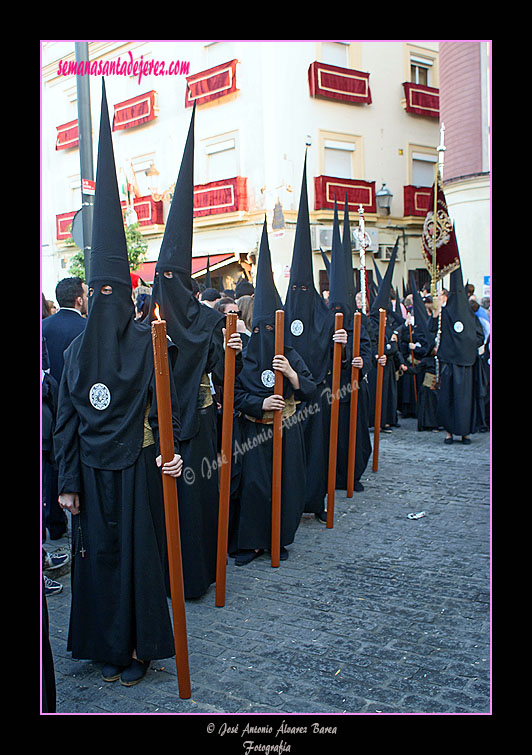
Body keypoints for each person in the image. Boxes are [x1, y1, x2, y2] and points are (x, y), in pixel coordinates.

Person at [53, 79, 182, 687]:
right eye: (97, 292)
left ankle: (140, 650)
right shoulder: (77, 352)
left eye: (113, 293)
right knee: (98, 566)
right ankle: (106, 646)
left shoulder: (147, 344)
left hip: (134, 472)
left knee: (135, 562)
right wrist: (67, 487)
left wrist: (172, 453)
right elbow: (65, 422)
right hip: (93, 478)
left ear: (124, 294)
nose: (104, 301)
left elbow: (169, 397)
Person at [151, 103, 243, 599]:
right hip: (162, 431)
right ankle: (168, 575)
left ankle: (200, 573)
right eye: (160, 278)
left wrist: (231, 351)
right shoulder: (144, 323)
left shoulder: (209, 320)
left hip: (201, 426)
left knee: (198, 497)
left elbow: (226, 379)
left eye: (173, 278)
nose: (166, 286)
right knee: (167, 504)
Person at [229, 219, 316, 565]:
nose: (266, 333)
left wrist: (291, 374)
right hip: (255, 431)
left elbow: (310, 389)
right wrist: (260, 401)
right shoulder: (245, 353)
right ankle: (252, 543)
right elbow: (234, 395)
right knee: (254, 489)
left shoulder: (290, 352)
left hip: (287, 431)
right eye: (261, 327)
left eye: (271, 327)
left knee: (286, 486)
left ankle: (278, 538)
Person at [283, 154, 335, 520]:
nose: (300, 292)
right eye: (295, 288)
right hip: (285, 401)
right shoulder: (281, 316)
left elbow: (330, 357)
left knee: (316, 454)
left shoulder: (324, 318)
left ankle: (314, 502)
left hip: (315, 399)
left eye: (305, 287)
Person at [42, 277, 89, 541]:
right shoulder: (86, 328)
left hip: (50, 409)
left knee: (50, 467)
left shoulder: (44, 326)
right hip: (76, 407)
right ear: (79, 299)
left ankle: (55, 522)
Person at [430, 255, 486, 444]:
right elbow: (436, 332)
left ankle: (465, 433)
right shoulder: (445, 315)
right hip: (449, 365)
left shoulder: (471, 317)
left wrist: (467, 345)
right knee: (448, 399)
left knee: (465, 402)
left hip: (466, 365)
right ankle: (449, 433)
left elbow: (479, 337)